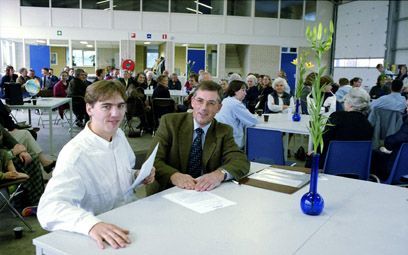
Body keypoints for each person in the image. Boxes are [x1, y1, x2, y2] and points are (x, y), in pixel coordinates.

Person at [38, 80, 155, 250]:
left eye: (120, 106)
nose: (116, 114)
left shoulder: (118, 135)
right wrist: (91, 225)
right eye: (106, 106)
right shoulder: (75, 154)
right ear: (89, 109)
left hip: (130, 218)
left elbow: (122, 172)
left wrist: (137, 175)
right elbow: (49, 208)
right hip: (100, 234)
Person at [147, 81, 250, 192]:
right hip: (167, 191)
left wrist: (219, 175)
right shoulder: (170, 123)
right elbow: (153, 160)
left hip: (203, 194)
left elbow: (241, 161)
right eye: (200, 101)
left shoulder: (223, 131)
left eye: (211, 103)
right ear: (192, 102)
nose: (204, 108)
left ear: (219, 108)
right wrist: (174, 175)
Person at [317, 88, 373, 169]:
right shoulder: (368, 125)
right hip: (356, 168)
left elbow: (324, 141)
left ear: (350, 104)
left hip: (330, 165)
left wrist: (315, 152)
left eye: (345, 101)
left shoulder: (336, 117)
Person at [215, 80, 258, 149]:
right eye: (243, 90)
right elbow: (253, 121)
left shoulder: (226, 100)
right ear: (235, 91)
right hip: (233, 143)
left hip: (223, 141)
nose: (245, 93)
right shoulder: (235, 104)